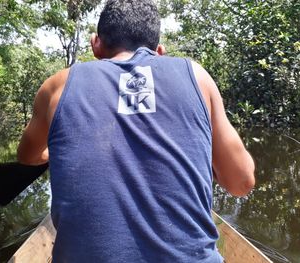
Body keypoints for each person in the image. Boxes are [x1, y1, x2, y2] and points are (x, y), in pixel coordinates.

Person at [17, 0, 255, 262]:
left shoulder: (56, 87)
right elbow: (241, 183)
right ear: (159, 51)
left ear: (95, 44)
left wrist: (56, 152)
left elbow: (28, 156)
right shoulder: (197, 77)